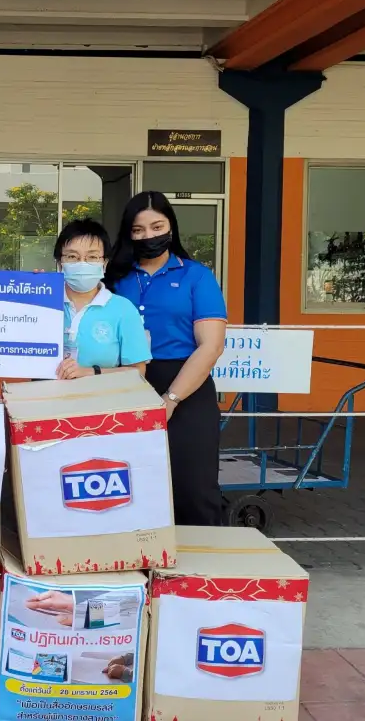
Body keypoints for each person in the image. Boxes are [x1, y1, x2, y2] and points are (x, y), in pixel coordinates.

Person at [105, 191, 227, 526]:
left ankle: (202, 558)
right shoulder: (114, 279)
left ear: (171, 227)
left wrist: (171, 399)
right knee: (128, 485)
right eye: (138, 230)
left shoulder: (196, 276)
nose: (149, 236)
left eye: (157, 226)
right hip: (124, 382)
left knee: (192, 487)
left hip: (185, 387)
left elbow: (211, 346)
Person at [53, 219, 151, 380]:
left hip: (102, 395)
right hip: (44, 395)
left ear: (104, 263)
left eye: (92, 257)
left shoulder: (123, 309)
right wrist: (34, 289)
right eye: (72, 256)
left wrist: (90, 372)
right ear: (59, 263)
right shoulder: (43, 302)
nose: (82, 263)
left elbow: (138, 371)